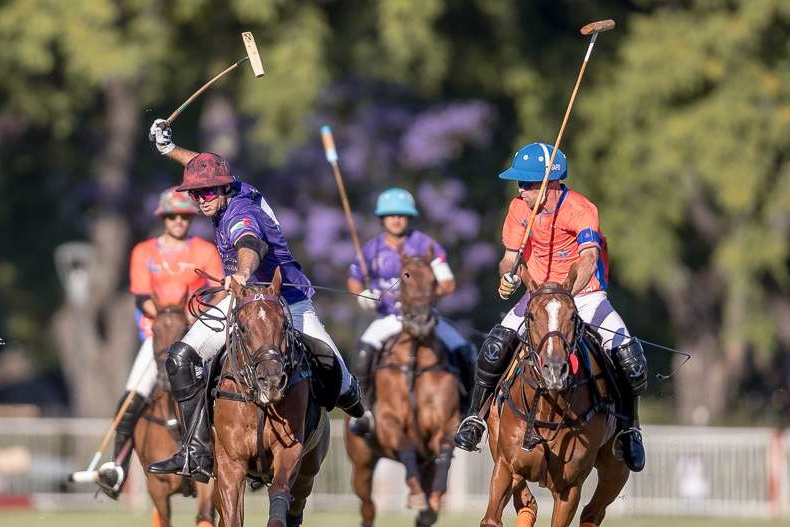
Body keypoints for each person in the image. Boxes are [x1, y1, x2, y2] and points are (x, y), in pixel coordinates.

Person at [144, 118, 365, 481]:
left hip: (284, 297)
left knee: (338, 376)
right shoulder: (232, 189)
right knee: (181, 357)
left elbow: (249, 244)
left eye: (208, 193)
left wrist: (244, 273)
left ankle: (350, 399)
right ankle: (195, 451)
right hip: (242, 299)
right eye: (196, 194)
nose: (201, 200)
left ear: (225, 189)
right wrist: (170, 149)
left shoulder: (240, 213)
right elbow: (203, 167)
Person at [453, 143, 647, 472]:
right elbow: (510, 258)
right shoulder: (518, 209)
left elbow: (588, 257)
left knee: (629, 357)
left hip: (583, 295)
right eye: (520, 184)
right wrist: (509, 276)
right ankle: (475, 418)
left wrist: (569, 292)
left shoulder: (582, 209)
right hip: (538, 295)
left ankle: (629, 429)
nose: (521, 190)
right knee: (495, 346)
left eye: (527, 184)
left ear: (549, 184)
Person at [97, 187, 223, 498]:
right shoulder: (144, 252)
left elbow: (219, 292)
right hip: (157, 338)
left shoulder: (205, 251)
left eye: (184, 216)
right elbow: (142, 298)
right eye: (173, 215)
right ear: (163, 218)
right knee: (131, 398)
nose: (179, 220)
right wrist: (171, 319)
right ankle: (117, 468)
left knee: (224, 389)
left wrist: (193, 318)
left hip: (197, 335)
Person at [345, 187, 474, 436]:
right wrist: (363, 295)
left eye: (401, 215)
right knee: (362, 352)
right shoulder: (371, 249)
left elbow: (447, 283)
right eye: (391, 215)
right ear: (382, 218)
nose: (396, 219)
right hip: (390, 318)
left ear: (409, 217)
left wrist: (426, 299)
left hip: (425, 317)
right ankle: (366, 412)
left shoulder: (426, 245)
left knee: (465, 351)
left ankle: (467, 414)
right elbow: (354, 279)